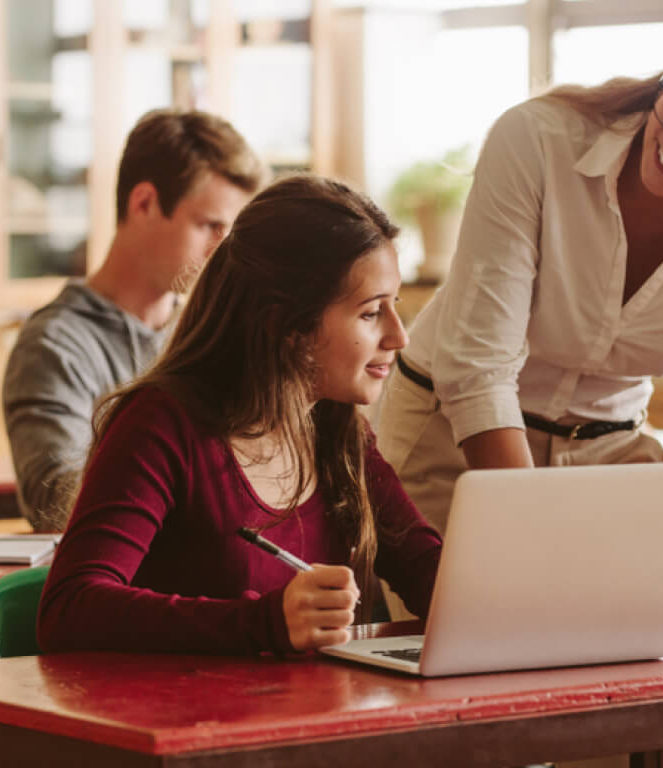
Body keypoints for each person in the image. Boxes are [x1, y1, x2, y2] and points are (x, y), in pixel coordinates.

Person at [371, 4, 663, 628]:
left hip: (605, 454)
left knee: (619, 673)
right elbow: (478, 369)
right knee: (465, 651)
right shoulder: (538, 139)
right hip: (453, 433)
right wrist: (525, 530)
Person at [37, 175, 442, 655]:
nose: (400, 337)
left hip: (301, 719)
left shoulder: (338, 433)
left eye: (394, 307)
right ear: (285, 324)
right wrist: (262, 622)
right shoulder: (160, 425)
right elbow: (68, 610)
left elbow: (430, 575)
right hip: (179, 721)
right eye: (372, 313)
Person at [3, 109, 264, 532]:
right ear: (143, 202)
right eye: (209, 225)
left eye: (230, 232)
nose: (223, 250)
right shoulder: (53, 345)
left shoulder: (215, 335)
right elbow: (56, 503)